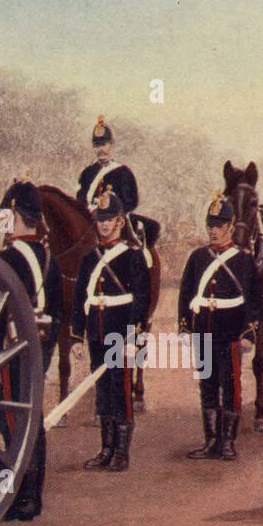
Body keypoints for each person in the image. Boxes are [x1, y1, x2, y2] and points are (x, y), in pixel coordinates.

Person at [0, 179, 64, 520]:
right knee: (31, 417)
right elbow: (61, 310)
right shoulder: (49, 256)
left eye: (5, 213)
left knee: (13, 420)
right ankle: (32, 496)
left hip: (13, 346)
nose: (1, 219)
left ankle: (21, 496)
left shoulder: (6, 257)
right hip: (41, 345)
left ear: (17, 215)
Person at [71, 187, 150, 472]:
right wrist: (77, 336)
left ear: (120, 221)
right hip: (97, 330)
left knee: (121, 388)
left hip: (121, 331)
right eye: (100, 219)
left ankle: (121, 451)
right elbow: (81, 297)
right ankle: (105, 448)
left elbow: (141, 300)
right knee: (102, 390)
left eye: (110, 219)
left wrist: (133, 336)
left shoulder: (132, 256)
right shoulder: (89, 258)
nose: (104, 224)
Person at [177, 192, 261, 460]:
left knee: (231, 385)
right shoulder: (198, 257)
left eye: (219, 226)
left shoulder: (244, 259)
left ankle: (228, 442)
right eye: (210, 225)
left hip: (231, 332)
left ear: (231, 227)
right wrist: (186, 328)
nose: (214, 231)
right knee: (207, 385)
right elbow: (186, 294)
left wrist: (248, 333)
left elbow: (254, 301)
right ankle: (210, 442)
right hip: (203, 330)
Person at [75, 115, 161, 249]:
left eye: (104, 144)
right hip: (90, 220)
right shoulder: (87, 173)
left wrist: (113, 211)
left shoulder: (123, 172)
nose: (100, 149)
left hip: (115, 220)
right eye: (96, 145)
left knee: (149, 230)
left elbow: (131, 202)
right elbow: (80, 198)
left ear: (111, 144)